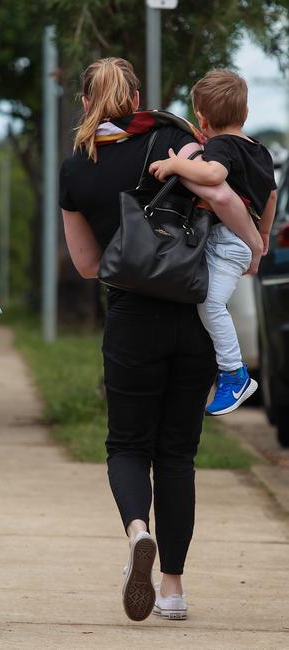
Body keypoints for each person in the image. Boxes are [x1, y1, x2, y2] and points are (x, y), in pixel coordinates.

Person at [59, 58, 263, 622]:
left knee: (127, 445)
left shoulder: (78, 166)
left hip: (131, 316)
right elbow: (223, 198)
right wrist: (255, 243)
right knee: (177, 453)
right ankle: (172, 588)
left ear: (85, 102)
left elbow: (84, 264)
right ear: (137, 95)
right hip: (194, 309)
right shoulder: (176, 136)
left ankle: (137, 531)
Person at [149, 69, 277, 416]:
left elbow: (214, 175)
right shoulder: (260, 151)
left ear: (202, 121)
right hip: (240, 240)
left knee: (210, 304)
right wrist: (262, 237)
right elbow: (272, 198)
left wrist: (177, 164)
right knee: (204, 301)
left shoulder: (221, 146)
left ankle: (234, 374)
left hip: (226, 240)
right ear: (246, 114)